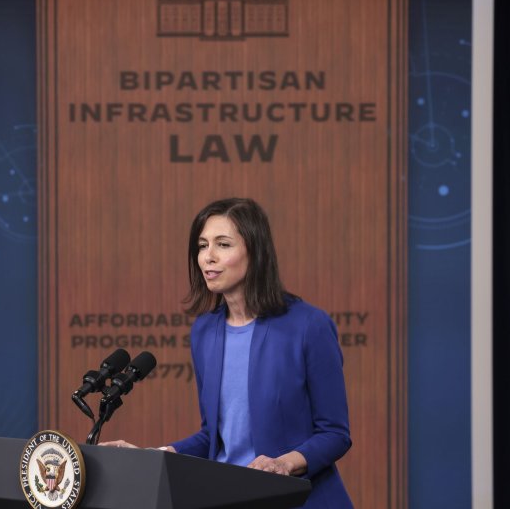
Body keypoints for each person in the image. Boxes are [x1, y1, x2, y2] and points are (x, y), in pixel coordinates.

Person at [102, 198, 353, 508]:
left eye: (223, 245)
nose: (208, 257)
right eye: (202, 245)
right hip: (234, 497)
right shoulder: (205, 331)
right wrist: (154, 456)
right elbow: (213, 437)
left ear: (256, 252)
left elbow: (335, 433)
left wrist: (284, 464)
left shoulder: (309, 325)